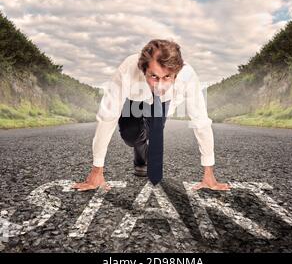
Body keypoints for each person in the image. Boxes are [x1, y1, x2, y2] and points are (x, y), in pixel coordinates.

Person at [73, 39, 230, 192]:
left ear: (177, 73)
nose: (160, 86)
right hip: (134, 99)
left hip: (164, 102)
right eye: (153, 76)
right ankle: (140, 152)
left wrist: (209, 174)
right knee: (130, 136)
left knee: (155, 133)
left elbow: (200, 121)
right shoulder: (128, 68)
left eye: (167, 77)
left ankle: (143, 159)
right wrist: (96, 171)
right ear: (144, 69)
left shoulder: (187, 75)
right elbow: (107, 116)